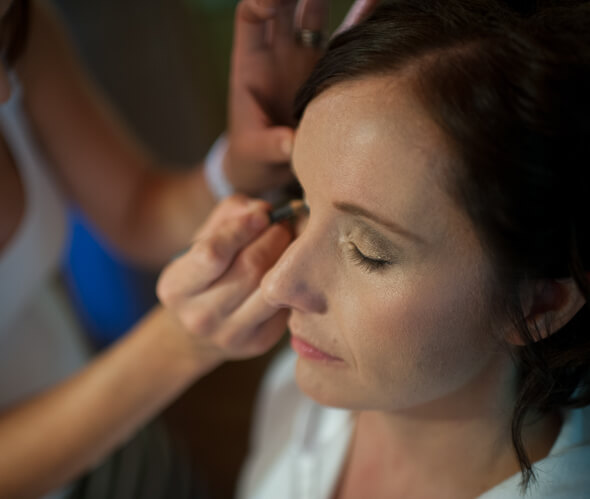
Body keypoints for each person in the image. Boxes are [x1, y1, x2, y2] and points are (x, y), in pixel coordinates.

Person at [0, 0, 380, 497]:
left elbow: (134, 210)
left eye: (2, 30)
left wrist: (235, 167)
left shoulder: (2, 34)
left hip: (109, 411)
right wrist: (181, 344)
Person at [159, 0, 590, 497]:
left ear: (538, 303)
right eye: (300, 200)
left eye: (368, 252)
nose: (277, 283)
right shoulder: (305, 388)